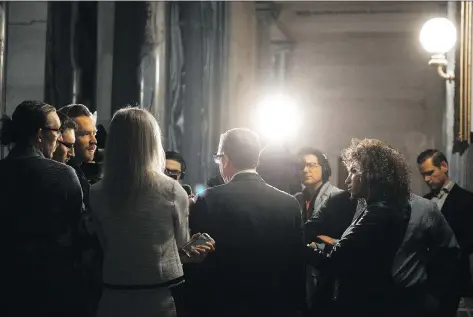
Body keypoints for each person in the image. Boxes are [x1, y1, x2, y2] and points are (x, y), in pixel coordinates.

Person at [89, 107, 213, 317]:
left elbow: (106, 245)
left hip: (113, 294)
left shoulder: (95, 192)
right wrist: (197, 253)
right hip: (159, 296)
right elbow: (181, 249)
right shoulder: (173, 190)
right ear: (153, 143)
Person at [188, 128, 305, 317]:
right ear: (256, 159)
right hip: (275, 306)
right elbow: (297, 265)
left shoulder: (207, 200)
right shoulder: (289, 203)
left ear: (225, 158)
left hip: (223, 306)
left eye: (218, 159)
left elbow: (199, 262)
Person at [306, 138, 410, 317]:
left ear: (371, 175)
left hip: (365, 303)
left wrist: (313, 246)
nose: (347, 179)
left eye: (353, 171)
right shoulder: (381, 207)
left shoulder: (379, 211)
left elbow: (337, 257)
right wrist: (332, 245)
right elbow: (343, 249)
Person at [0, 100, 85, 316]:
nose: (59, 137)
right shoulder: (62, 175)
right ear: (40, 134)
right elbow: (80, 231)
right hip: (51, 285)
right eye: (56, 130)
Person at [417, 149, 473, 316]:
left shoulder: (468, 200)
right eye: (423, 175)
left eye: (430, 173)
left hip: (452, 278)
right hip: (426, 278)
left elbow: (469, 241)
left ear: (444, 166)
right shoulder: (425, 200)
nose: (427, 179)